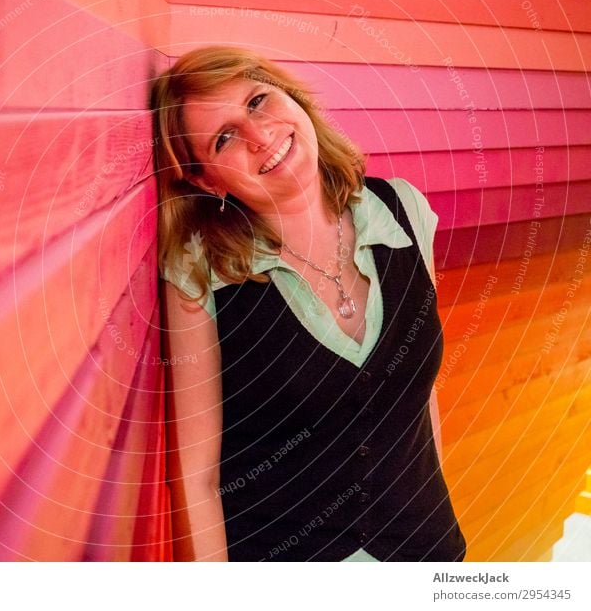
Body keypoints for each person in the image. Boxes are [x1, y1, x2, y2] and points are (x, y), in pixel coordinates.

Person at [150, 46, 466, 562]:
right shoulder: (197, 273)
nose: (260, 136)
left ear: (292, 97)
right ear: (206, 180)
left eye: (257, 101)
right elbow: (195, 480)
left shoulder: (404, 210)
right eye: (225, 138)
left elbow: (419, 399)